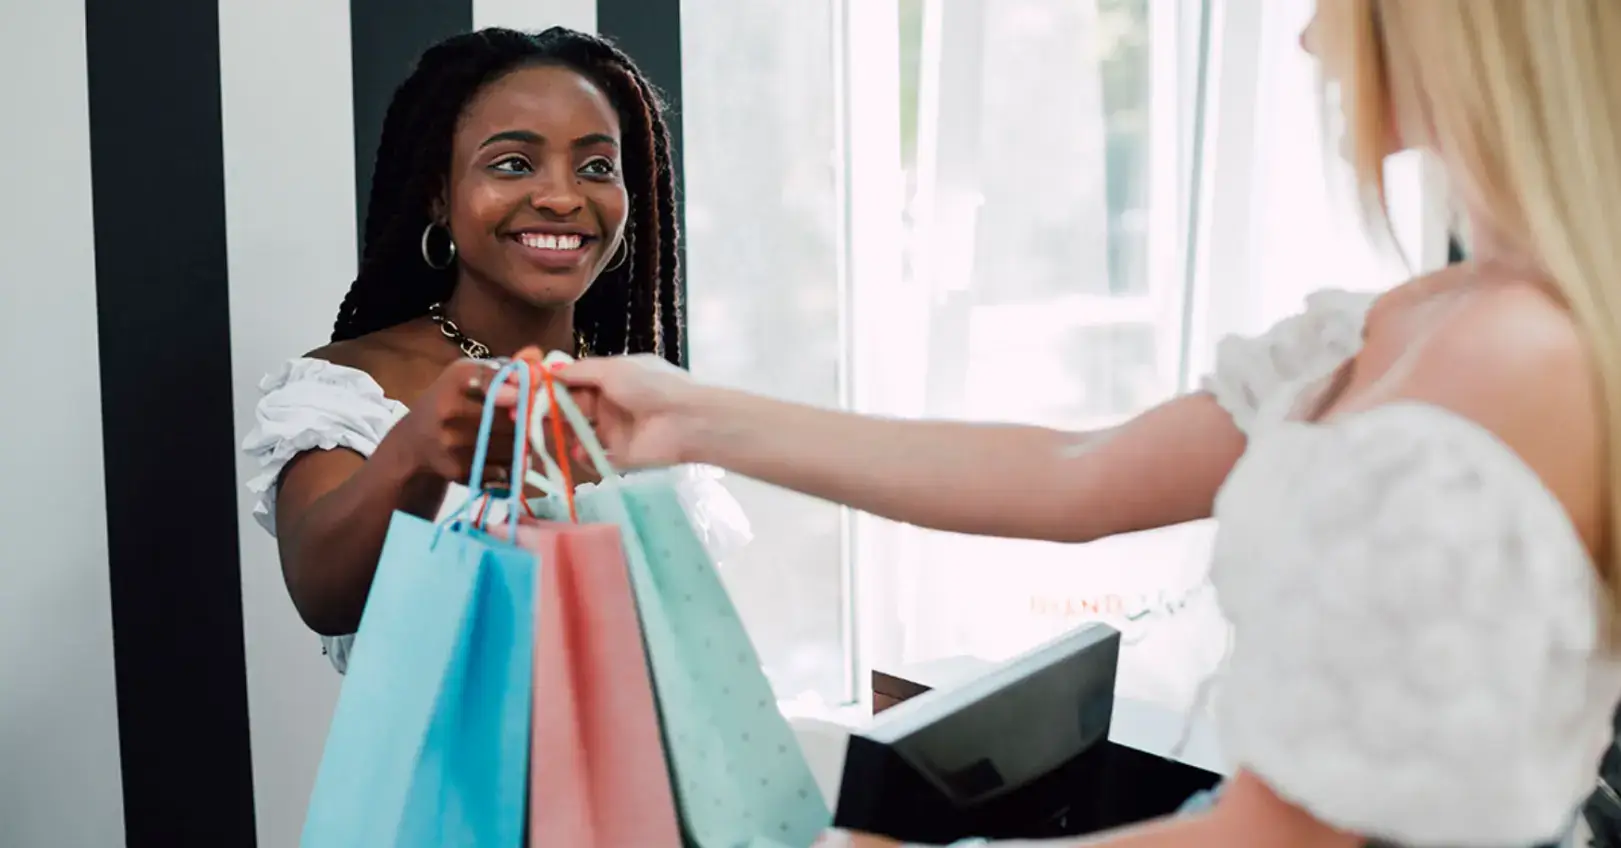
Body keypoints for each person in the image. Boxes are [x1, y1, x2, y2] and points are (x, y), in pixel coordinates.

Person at [557, 1, 1621, 845]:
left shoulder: (1516, 357)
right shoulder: (1405, 322)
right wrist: (691, 415)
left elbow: (1287, 840)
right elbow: (1074, 473)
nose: (1309, 36)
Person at [242, 27, 748, 675]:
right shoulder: (349, 389)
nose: (563, 198)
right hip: (455, 778)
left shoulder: (642, 388)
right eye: (512, 163)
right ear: (437, 194)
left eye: (596, 167)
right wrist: (419, 452)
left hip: (663, 775)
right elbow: (324, 595)